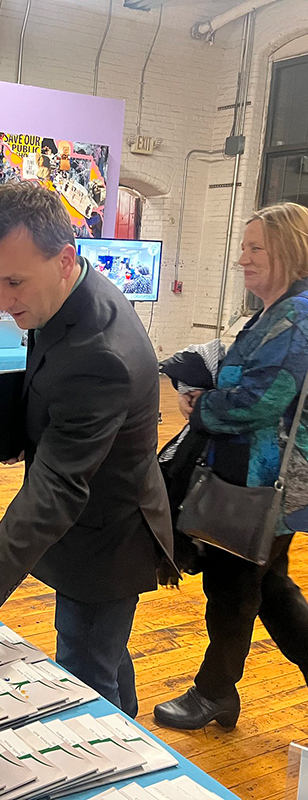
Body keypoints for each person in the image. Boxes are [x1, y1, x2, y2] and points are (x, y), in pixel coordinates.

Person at [0, 182, 174, 718]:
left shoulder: (100, 352)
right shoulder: (65, 293)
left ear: (64, 259)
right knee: (105, 656)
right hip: (90, 516)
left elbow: (58, 487)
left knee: (85, 670)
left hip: (106, 533)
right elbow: (53, 382)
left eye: (14, 282)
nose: (3, 301)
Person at [153, 203, 308, 730]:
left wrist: (204, 405)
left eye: (255, 247)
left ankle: (214, 692)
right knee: (267, 588)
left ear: (289, 250)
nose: (242, 258)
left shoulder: (297, 317)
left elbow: (262, 398)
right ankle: (219, 692)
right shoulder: (276, 312)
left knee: (232, 586)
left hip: (258, 483)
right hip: (253, 480)